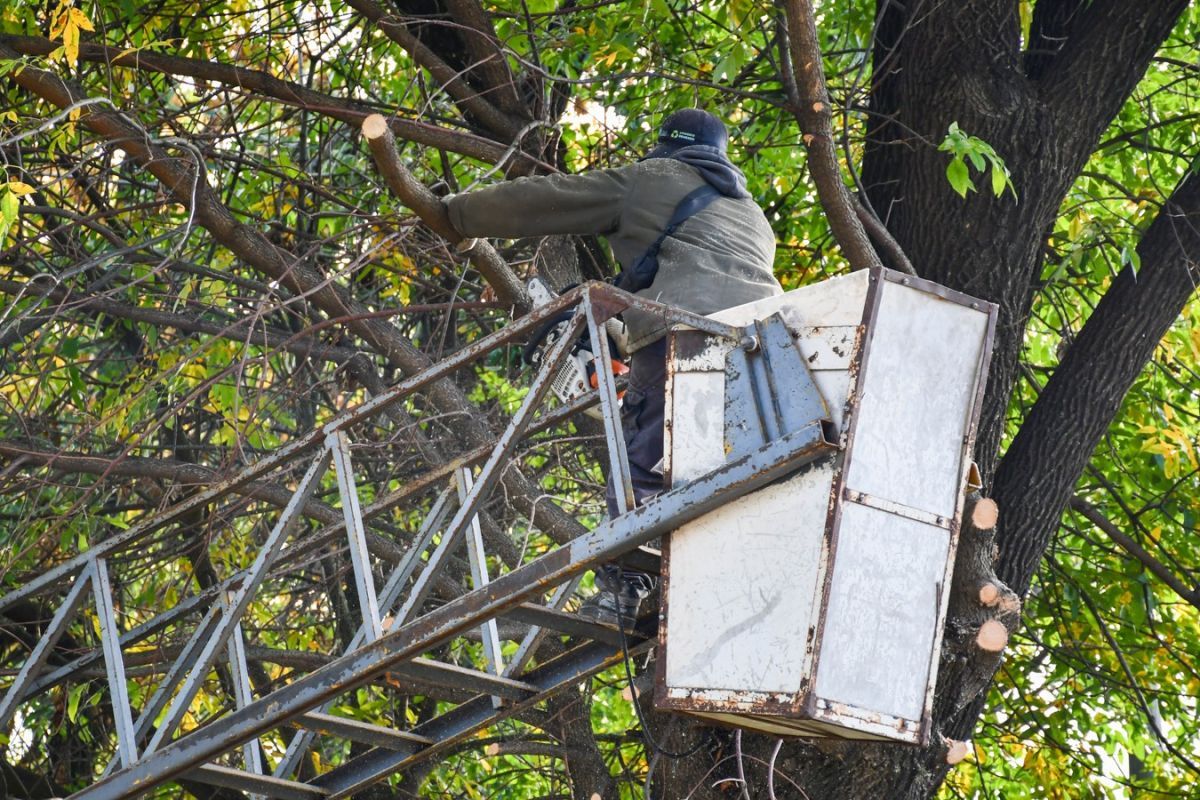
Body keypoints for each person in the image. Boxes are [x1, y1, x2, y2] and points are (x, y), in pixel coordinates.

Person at [443, 109, 782, 623]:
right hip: (767, 354)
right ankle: (684, 591)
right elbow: (698, 273)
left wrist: (457, 215)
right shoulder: (750, 214)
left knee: (646, 458)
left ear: (667, 145)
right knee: (712, 470)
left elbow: (549, 198)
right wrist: (620, 326)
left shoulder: (657, 178)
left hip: (687, 340)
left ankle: (625, 589)